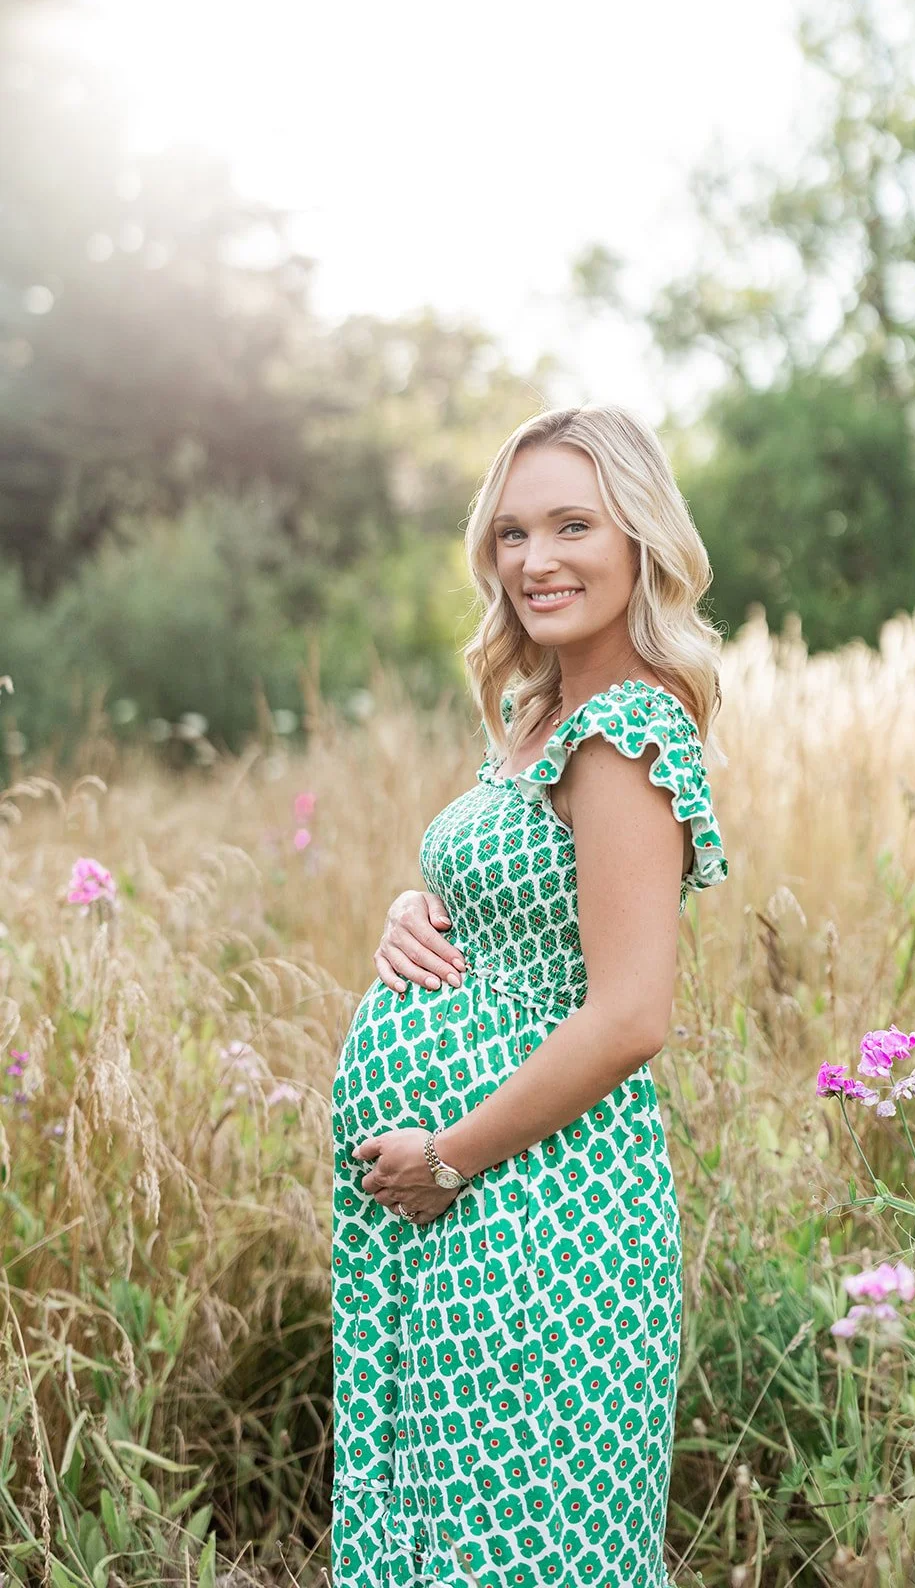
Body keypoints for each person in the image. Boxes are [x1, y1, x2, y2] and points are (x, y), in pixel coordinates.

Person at [331, 403, 729, 1587]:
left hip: (542, 1214)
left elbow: (630, 1013)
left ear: (639, 539)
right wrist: (420, 908)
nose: (534, 560)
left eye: (571, 526)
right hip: (469, 1210)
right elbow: (529, 906)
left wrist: (448, 1157)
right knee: (447, 1542)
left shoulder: (625, 731)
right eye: (511, 532)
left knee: (519, 1552)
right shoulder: (536, 714)